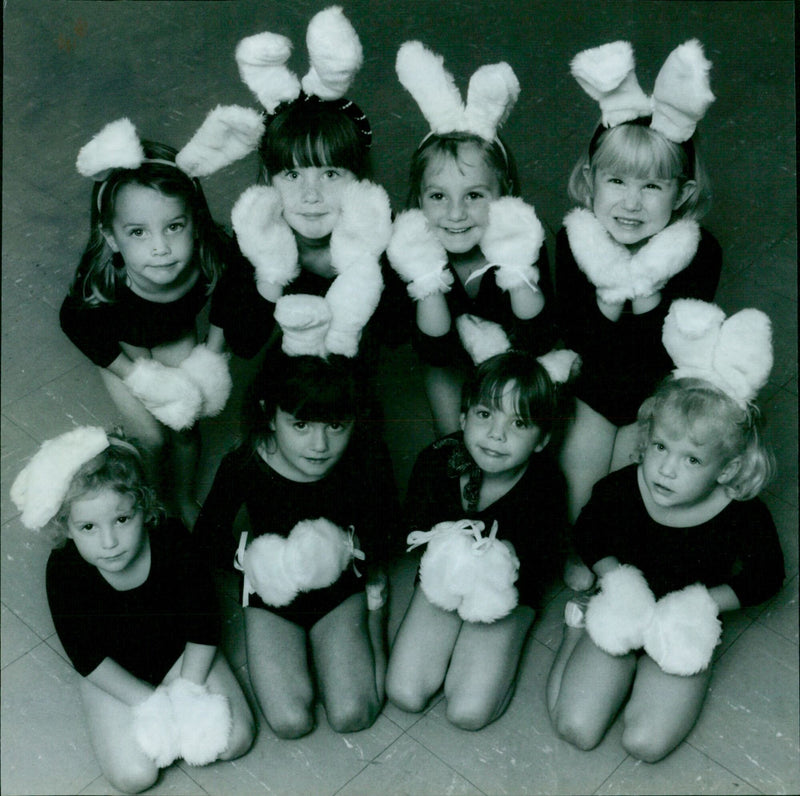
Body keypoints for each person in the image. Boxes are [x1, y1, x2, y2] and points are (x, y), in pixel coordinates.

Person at [547, 300, 785, 762]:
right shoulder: (623, 487)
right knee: (575, 727)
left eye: (692, 459)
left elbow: (766, 575)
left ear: (727, 467)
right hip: (625, 599)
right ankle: (576, 629)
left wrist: (700, 605)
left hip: (682, 618)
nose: (665, 470)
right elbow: (590, 531)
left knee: (646, 744)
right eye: (659, 446)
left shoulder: (742, 513)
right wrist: (614, 578)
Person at [9, 428, 255, 794]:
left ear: (144, 506)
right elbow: (87, 655)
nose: (109, 543)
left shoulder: (172, 540)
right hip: (113, 668)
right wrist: (150, 704)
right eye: (88, 527)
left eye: (122, 520)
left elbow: (204, 624)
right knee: (134, 776)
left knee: (234, 741)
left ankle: (180, 694)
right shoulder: (64, 570)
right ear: (67, 527)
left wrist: (188, 689)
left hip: (180, 653)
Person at [60, 111, 262, 526]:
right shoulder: (104, 277)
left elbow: (233, 289)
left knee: (184, 426)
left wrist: (211, 351)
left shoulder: (212, 255)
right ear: (113, 238)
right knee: (150, 437)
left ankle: (183, 497)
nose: (160, 248)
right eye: (138, 232)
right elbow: (75, 323)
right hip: (121, 347)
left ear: (196, 224)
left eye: (173, 226)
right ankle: (153, 507)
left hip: (174, 334)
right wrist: (133, 375)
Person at [556, 40, 722, 528]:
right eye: (617, 182)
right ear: (590, 182)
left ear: (682, 193)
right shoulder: (573, 241)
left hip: (655, 396)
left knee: (630, 496)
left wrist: (646, 284)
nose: (631, 204)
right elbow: (577, 337)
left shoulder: (698, 252)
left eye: (652, 186)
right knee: (578, 499)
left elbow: (666, 354)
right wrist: (610, 287)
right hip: (591, 389)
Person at [194, 352, 398, 738]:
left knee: (353, 714)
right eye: (300, 425)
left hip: (339, 586)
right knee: (290, 723)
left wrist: (348, 546)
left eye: (336, 426)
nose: (319, 444)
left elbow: (390, 528)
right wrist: (254, 560)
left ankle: (375, 613)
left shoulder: (367, 458)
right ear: (270, 416)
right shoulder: (245, 462)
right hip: (272, 589)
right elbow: (205, 539)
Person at [385, 348, 574, 730]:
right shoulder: (438, 461)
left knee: (468, 713)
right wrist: (451, 550)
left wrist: (495, 566)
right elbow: (414, 530)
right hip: (445, 579)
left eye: (519, 424)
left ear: (541, 440)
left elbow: (543, 564)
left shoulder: (546, 486)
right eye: (485, 415)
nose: (495, 435)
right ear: (463, 416)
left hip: (506, 593)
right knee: (405, 693)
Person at [213, 6, 403, 369]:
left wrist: (363, 261)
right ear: (269, 180)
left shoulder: (379, 232)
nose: (310, 195)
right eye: (292, 175)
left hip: (351, 377)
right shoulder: (257, 233)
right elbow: (244, 343)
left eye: (330, 175)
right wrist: (271, 268)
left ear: (358, 182)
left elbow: (397, 334)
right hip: (286, 380)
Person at [387, 41, 556, 436]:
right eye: (438, 197)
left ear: (505, 193)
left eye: (475, 196)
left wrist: (518, 266)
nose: (456, 214)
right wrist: (425, 278)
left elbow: (537, 339)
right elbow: (434, 352)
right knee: (453, 448)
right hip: (447, 369)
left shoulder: (523, 240)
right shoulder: (410, 250)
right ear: (418, 200)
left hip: (518, 375)